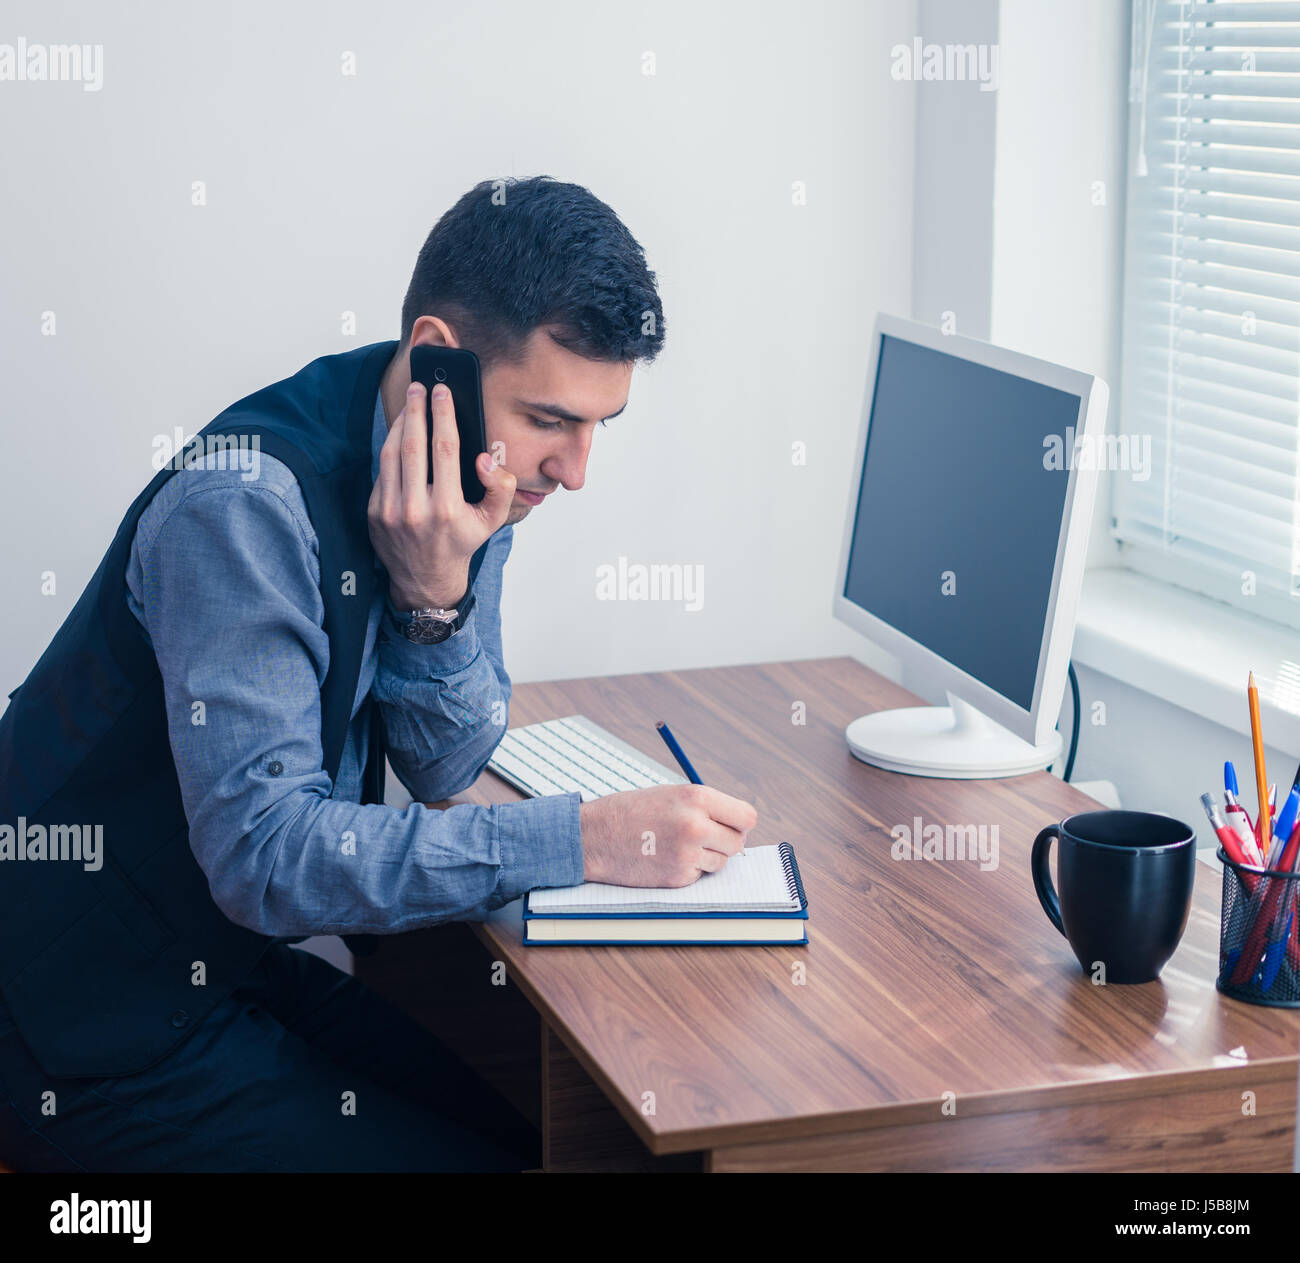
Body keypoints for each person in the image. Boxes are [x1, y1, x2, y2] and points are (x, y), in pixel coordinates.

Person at [0, 175, 757, 1172]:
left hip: (216, 968)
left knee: (542, 1138)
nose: (573, 471)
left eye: (595, 428)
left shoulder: (453, 479)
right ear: (437, 355)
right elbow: (266, 858)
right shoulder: (242, 512)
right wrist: (584, 838)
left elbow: (444, 765)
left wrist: (433, 600)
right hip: (76, 1017)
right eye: (550, 419)